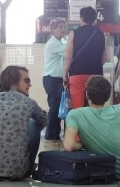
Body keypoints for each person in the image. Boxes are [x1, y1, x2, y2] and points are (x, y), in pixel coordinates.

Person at [0, 66, 48, 181]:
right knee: (34, 123)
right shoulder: (29, 102)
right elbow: (45, 119)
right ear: (12, 81)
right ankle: (27, 164)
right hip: (20, 173)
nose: (30, 85)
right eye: (26, 80)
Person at [63, 6, 108, 109]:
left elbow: (68, 58)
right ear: (94, 19)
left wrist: (65, 76)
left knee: (78, 109)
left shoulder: (73, 33)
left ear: (81, 18)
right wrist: (95, 65)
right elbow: (105, 57)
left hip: (77, 75)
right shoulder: (101, 34)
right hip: (96, 76)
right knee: (95, 107)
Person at [42, 17, 67, 146]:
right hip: (51, 78)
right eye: (60, 27)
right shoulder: (53, 43)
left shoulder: (61, 41)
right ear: (52, 29)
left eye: (64, 27)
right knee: (55, 107)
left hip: (57, 79)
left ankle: (55, 135)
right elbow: (68, 52)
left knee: (58, 107)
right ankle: (50, 136)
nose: (63, 29)